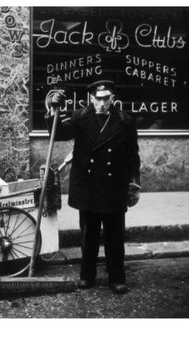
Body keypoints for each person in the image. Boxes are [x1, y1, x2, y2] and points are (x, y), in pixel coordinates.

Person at [45, 80, 141, 294]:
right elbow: (57, 133)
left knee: (114, 236)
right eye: (98, 98)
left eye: (107, 98)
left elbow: (133, 155)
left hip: (114, 185)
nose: (102, 103)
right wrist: (53, 108)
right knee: (89, 235)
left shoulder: (125, 120)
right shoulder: (80, 116)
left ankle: (116, 277)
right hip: (88, 185)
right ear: (91, 98)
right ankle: (86, 276)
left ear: (112, 98)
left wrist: (134, 183)